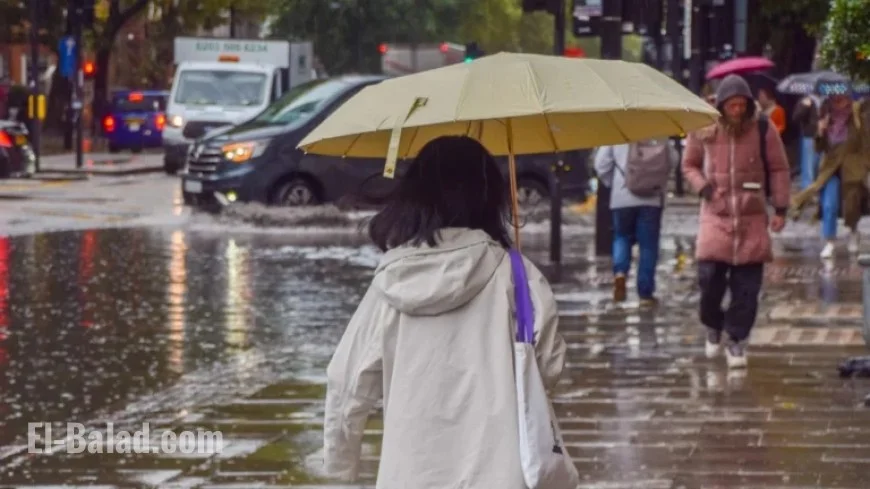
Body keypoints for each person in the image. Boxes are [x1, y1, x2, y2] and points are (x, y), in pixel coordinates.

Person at [323, 135, 575, 489]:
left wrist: (339, 470)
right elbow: (549, 368)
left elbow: (346, 383)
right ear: (489, 196)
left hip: (409, 474)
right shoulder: (517, 278)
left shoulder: (390, 282)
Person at [681, 74, 791, 369]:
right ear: (721, 104)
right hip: (715, 216)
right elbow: (688, 165)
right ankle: (713, 325)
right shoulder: (703, 126)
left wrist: (780, 208)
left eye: (743, 104)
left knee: (747, 290)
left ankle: (737, 339)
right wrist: (703, 187)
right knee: (709, 283)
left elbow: (779, 169)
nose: (738, 110)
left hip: (751, 219)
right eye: (732, 105)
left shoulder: (763, 128)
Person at [791, 95, 870, 258]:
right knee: (829, 204)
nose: (838, 101)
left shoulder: (857, 114)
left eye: (842, 97)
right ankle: (830, 241)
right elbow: (819, 148)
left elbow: (865, 142)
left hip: (852, 167)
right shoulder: (825, 114)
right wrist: (820, 131)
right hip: (830, 168)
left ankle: (853, 231)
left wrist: (865, 165)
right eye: (835, 98)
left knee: (852, 205)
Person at [594, 142, 666, 306]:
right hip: (652, 197)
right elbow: (673, 159)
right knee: (648, 246)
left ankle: (620, 273)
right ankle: (645, 293)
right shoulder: (659, 126)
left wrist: (614, 184)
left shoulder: (617, 129)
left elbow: (601, 164)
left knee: (621, 236)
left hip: (622, 196)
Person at [792, 95, 823, 189]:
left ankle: (817, 187)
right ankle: (807, 189)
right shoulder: (805, 100)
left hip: (823, 137)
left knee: (819, 164)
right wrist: (804, 106)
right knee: (808, 165)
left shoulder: (825, 100)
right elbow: (795, 117)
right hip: (809, 136)